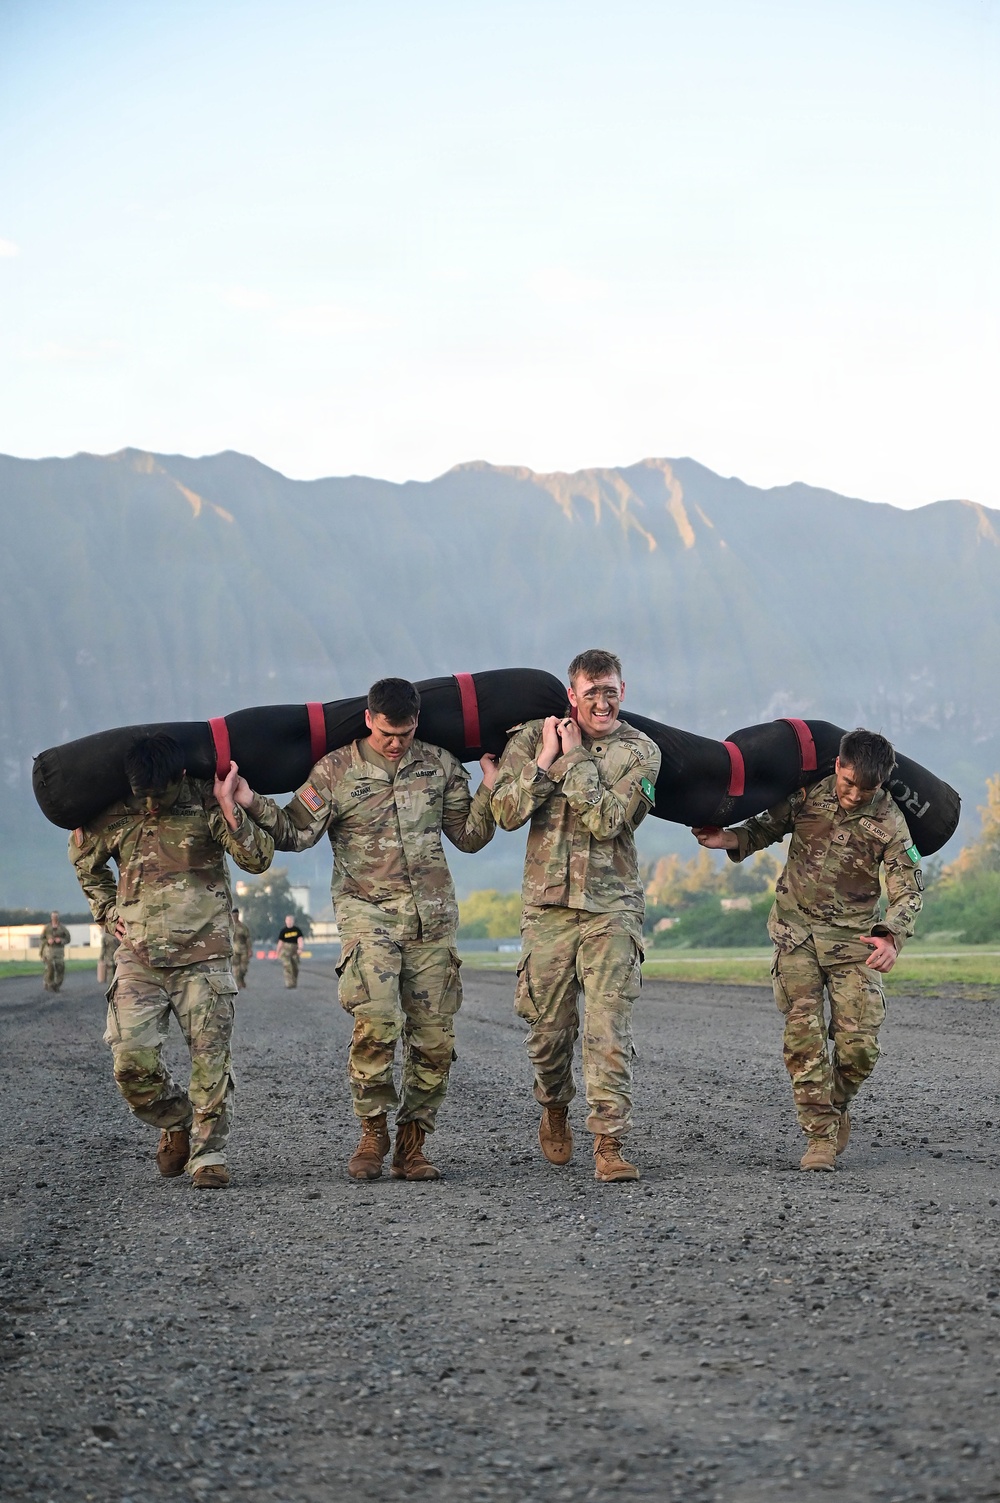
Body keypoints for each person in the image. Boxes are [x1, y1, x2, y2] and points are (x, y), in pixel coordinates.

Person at [235, 677, 497, 1181]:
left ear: (416, 722)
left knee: (435, 1041)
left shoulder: (440, 766)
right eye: (386, 733)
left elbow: (469, 836)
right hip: (367, 915)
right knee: (376, 1022)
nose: (395, 742)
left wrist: (488, 786)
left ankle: (413, 1144)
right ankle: (372, 1133)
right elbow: (293, 831)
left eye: (404, 732)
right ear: (369, 720)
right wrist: (250, 801)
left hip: (432, 921)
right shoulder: (335, 770)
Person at [693, 728, 923, 1172]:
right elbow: (765, 826)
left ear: (883, 783)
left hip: (853, 941)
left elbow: (908, 887)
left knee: (859, 1048)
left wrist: (892, 935)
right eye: (849, 783)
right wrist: (729, 840)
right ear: (837, 765)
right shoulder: (807, 795)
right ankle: (819, 1137)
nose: (855, 795)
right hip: (794, 932)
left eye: (867, 789)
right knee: (804, 1038)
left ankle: (833, 1105)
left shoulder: (891, 823)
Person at [71, 733, 274, 1189]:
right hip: (139, 957)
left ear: (180, 776)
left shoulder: (205, 801)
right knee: (130, 1063)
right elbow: (86, 864)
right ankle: (177, 1119)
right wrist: (107, 912)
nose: (152, 803)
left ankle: (208, 1156)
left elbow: (259, 858)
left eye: (159, 794)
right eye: (144, 795)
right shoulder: (118, 810)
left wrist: (228, 808)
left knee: (210, 1061)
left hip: (204, 956)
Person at [491, 649, 660, 1183]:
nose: (603, 703)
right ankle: (554, 1104)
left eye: (611, 692)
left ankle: (609, 1143)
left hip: (612, 909)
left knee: (608, 1027)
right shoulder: (530, 741)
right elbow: (505, 813)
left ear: (623, 691)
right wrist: (543, 760)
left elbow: (610, 820)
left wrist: (571, 760)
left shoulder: (641, 752)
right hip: (548, 909)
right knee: (547, 1033)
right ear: (573, 695)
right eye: (592, 694)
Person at [39, 911, 71, 992]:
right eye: (53, 917)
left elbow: (68, 939)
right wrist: (47, 941)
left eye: (56, 917)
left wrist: (61, 940)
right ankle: (49, 983)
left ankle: (57, 984)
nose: (54, 918)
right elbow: (42, 938)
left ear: (58, 917)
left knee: (60, 968)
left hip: (59, 952)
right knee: (50, 969)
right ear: (51, 917)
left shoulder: (63, 928)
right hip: (49, 951)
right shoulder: (47, 928)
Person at [276, 914, 304, 988]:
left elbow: (300, 940)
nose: (289, 922)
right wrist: (277, 952)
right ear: (285, 921)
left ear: (293, 921)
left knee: (295, 968)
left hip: (294, 951)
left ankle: (294, 982)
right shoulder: (283, 931)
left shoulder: (297, 930)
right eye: (288, 920)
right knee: (287, 967)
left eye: (290, 920)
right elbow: (280, 942)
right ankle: (289, 983)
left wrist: (300, 948)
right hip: (285, 952)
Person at [232, 908, 252, 989]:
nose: (235, 917)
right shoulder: (228, 926)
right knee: (236, 968)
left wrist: (249, 950)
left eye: (236, 915)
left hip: (243, 949)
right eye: (233, 915)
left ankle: (241, 979)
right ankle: (238, 983)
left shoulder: (243, 927)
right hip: (233, 950)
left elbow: (248, 939)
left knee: (244, 968)